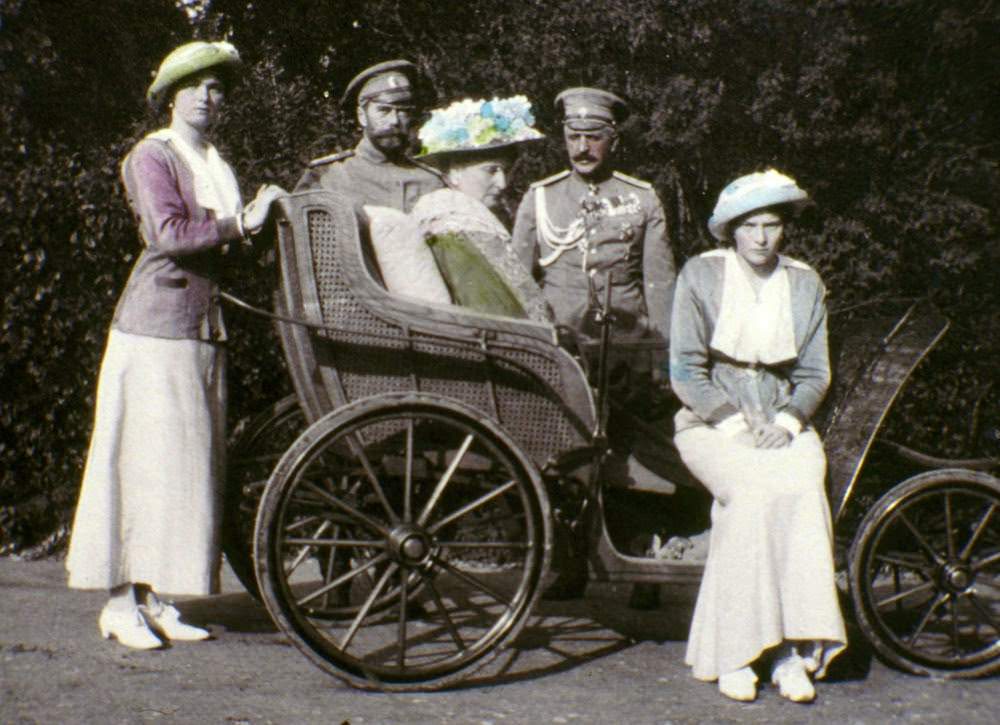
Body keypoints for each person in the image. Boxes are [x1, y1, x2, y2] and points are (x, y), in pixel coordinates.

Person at [65, 41, 286, 649]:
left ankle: (153, 598)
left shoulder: (213, 159)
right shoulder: (151, 156)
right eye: (198, 88)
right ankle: (117, 604)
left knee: (180, 467)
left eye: (218, 89)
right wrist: (241, 223)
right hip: (155, 327)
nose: (210, 99)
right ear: (172, 96)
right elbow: (167, 235)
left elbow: (225, 244)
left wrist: (258, 230)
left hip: (203, 328)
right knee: (139, 464)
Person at [669, 170, 846, 702]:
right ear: (731, 230)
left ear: (784, 228)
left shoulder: (804, 282)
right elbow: (684, 369)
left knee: (800, 492)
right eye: (750, 226)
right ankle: (737, 652)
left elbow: (815, 373)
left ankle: (791, 650)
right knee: (749, 497)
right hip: (710, 421)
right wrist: (732, 422)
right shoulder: (701, 275)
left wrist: (789, 421)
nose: (762, 238)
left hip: (781, 418)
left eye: (772, 225)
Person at [510, 87, 679, 601]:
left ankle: (641, 566)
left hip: (627, 349)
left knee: (636, 461)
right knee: (563, 458)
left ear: (614, 140)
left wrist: (664, 356)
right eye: (573, 136)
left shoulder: (642, 198)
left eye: (593, 137)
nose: (582, 148)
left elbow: (660, 284)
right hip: (561, 352)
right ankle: (569, 563)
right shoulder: (540, 197)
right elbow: (516, 281)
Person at [363, 95, 550, 322]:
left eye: (506, 171)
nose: (503, 183)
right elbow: (496, 313)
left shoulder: (470, 215)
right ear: (454, 172)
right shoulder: (451, 222)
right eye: (490, 170)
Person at [295, 59, 445, 212]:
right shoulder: (329, 175)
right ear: (362, 116)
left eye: (403, 111)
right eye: (384, 111)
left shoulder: (431, 181)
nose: (394, 120)